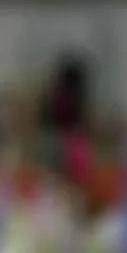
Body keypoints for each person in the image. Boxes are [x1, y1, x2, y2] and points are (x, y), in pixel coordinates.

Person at [39, 54, 95, 213]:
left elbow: (46, 117)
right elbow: (80, 119)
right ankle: (72, 212)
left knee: (56, 182)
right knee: (75, 184)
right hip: (73, 141)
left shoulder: (54, 94)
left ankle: (56, 212)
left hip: (55, 139)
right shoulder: (76, 96)